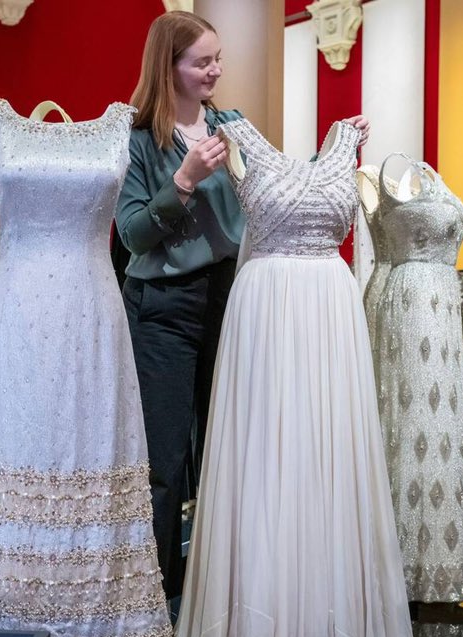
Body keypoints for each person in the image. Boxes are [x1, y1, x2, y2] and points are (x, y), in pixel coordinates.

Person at [115, 10, 370, 598]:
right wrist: (181, 182)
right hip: (162, 310)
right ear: (168, 67)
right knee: (163, 461)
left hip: (231, 300)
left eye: (218, 59)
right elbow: (132, 235)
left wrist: (338, 148)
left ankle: (221, 591)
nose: (216, 71)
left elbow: (283, 185)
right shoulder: (136, 139)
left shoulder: (231, 126)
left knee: (230, 448)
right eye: (201, 62)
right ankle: (153, 596)